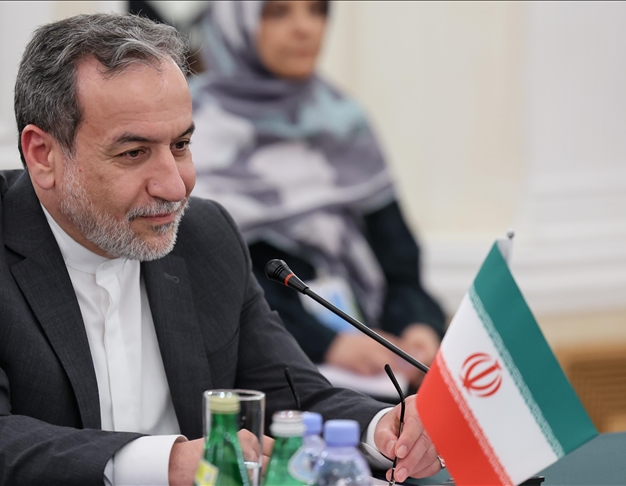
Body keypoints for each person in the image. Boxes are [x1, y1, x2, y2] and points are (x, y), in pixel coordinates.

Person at [0, 13, 442, 485]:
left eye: (181, 145)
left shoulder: (206, 234)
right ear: (43, 155)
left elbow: (294, 391)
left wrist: (382, 427)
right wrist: (169, 463)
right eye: (133, 153)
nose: (174, 184)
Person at [188, 0, 445, 385]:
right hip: (267, 379)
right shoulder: (190, 129)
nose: (305, 28)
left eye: (317, 10)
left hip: (381, 372)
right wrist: (330, 345)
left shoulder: (344, 122)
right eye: (278, 12)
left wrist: (417, 327)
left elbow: (401, 264)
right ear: (234, 22)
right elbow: (213, 282)